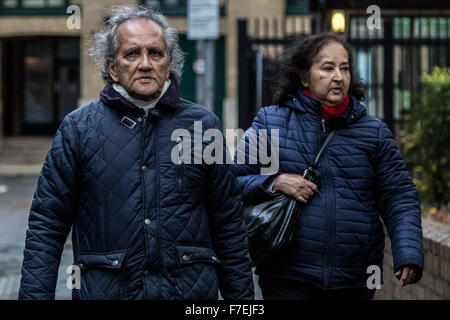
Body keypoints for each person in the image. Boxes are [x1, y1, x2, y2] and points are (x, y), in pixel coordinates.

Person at [19, 5, 254, 300]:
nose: (145, 64)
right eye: (132, 54)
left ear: (169, 63)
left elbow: (229, 225)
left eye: (155, 53)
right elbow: (47, 225)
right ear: (112, 67)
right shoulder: (78, 128)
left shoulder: (203, 126)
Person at [232, 33, 424, 300]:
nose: (338, 76)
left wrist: (409, 253)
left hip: (354, 277)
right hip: (287, 275)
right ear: (304, 77)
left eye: (344, 68)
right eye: (327, 67)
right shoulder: (271, 121)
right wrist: (274, 182)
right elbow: (232, 182)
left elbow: (399, 196)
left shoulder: (374, 132)